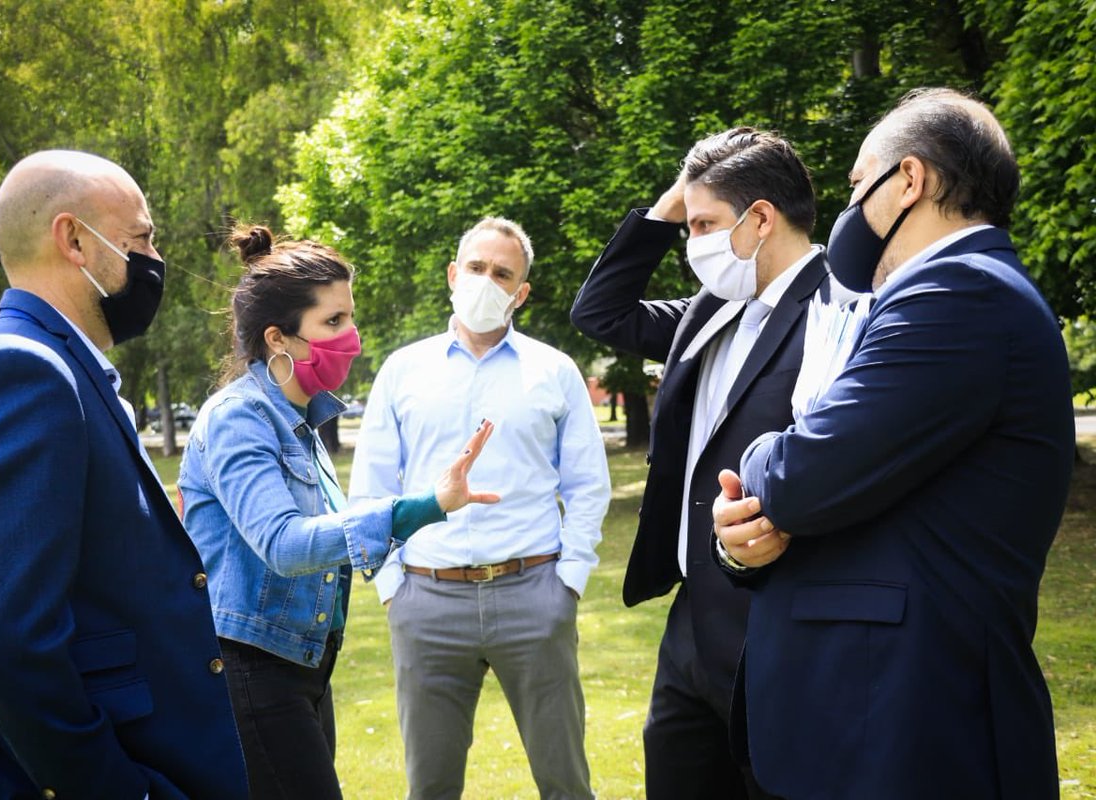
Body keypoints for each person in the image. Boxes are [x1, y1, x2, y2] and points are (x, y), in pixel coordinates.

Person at [712, 88, 1074, 799]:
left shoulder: (958, 293)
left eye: (856, 184)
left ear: (909, 180)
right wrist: (743, 542)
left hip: (907, 727)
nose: (849, 211)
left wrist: (761, 458)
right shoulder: (950, 293)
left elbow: (800, 478)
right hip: (871, 716)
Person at [0, 150, 250, 798]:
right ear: (73, 240)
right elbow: (10, 647)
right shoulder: (25, 375)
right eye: (141, 238)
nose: (154, 258)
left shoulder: (8, 362)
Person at [571, 128, 848, 799]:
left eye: (704, 225)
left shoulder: (842, 309)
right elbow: (600, 311)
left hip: (784, 623)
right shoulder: (710, 309)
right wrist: (671, 207)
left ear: (760, 219)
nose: (693, 243)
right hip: (691, 626)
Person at [177, 225, 498, 800]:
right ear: (279, 338)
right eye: (333, 322)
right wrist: (424, 506)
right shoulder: (239, 419)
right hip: (254, 668)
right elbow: (286, 544)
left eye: (350, 317)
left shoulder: (301, 422)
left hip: (303, 665)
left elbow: (327, 541)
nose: (351, 336)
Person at [350, 217, 611, 799]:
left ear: (521, 293)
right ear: (452, 274)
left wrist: (567, 581)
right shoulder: (403, 371)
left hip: (533, 594)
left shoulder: (555, 371)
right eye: (475, 268)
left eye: (502, 274)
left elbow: (589, 484)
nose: (485, 282)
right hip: (427, 602)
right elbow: (369, 488)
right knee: (431, 786)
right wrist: (392, 587)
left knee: (566, 782)